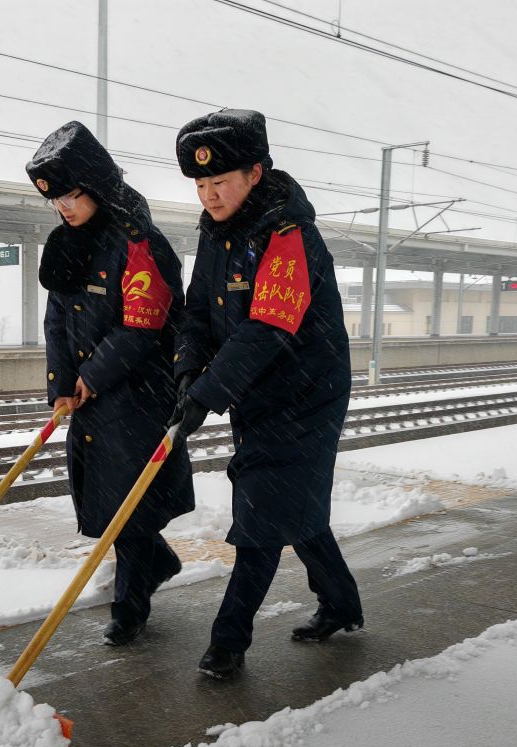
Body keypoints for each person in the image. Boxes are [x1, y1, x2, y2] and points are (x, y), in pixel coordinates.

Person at [169, 109, 363, 678]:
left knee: (260, 518)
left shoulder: (287, 233)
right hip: (257, 392)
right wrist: (186, 373)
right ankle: (342, 602)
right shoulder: (217, 233)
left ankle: (228, 643)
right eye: (200, 184)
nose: (208, 194)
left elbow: (268, 327)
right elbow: (198, 312)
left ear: (255, 173)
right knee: (292, 508)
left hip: (307, 394)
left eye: (220, 181)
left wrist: (208, 391)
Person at [26, 120, 195, 646]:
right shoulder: (66, 245)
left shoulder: (141, 244)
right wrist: (61, 382)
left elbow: (142, 327)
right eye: (57, 201)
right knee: (114, 505)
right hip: (93, 401)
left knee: (131, 506)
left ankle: (130, 609)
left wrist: (90, 377)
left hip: (140, 399)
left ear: (97, 186)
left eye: (73, 195)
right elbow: (56, 320)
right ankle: (156, 566)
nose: (65, 209)